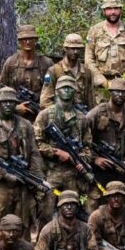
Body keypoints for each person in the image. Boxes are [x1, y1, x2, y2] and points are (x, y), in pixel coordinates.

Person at [0, 86, 42, 235]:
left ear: (16, 104)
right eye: (4, 102)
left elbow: (34, 153)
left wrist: (35, 177)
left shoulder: (25, 125)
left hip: (23, 182)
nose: (7, 105)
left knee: (23, 220)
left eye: (11, 102)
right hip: (1, 184)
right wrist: (4, 174)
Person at [33, 74, 93, 217]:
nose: (67, 91)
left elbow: (88, 146)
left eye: (70, 88)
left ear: (75, 91)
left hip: (73, 175)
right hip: (50, 172)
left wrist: (80, 159)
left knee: (72, 213)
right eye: (63, 88)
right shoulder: (45, 115)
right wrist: (56, 152)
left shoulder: (81, 118)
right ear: (56, 91)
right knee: (45, 212)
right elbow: (36, 144)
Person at [86, 77, 125, 204]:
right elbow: (82, 140)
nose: (120, 95)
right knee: (94, 202)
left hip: (121, 168)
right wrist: (95, 159)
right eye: (116, 91)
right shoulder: (96, 113)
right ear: (110, 92)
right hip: (99, 170)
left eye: (123, 92)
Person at [84, 0, 125, 96]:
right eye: (109, 9)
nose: (113, 12)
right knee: (99, 111)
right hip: (101, 85)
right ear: (104, 11)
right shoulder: (94, 31)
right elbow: (88, 60)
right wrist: (102, 81)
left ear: (121, 10)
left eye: (116, 8)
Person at [0, 24, 48, 118]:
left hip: (39, 115)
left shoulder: (46, 63)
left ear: (35, 40)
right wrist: (15, 108)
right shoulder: (11, 62)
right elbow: (1, 89)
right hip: (14, 116)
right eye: (24, 39)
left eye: (31, 39)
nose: (27, 42)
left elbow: (53, 92)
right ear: (19, 41)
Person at [40, 33, 99, 111]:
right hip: (60, 115)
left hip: (82, 115)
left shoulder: (87, 72)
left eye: (78, 49)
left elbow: (91, 100)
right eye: (72, 48)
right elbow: (45, 101)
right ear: (65, 48)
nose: (75, 52)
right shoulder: (54, 70)